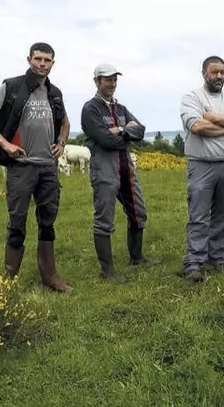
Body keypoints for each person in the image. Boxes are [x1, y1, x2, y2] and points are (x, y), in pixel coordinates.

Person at [0, 42, 73, 293]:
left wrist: (61, 142)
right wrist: (5, 145)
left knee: (48, 222)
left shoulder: (55, 93)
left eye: (47, 60)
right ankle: (8, 280)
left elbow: (65, 123)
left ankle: (50, 276)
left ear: (53, 63)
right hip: (21, 167)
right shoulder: (12, 87)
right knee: (17, 221)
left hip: (48, 167)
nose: (42, 64)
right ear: (29, 60)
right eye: (38, 59)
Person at [178, 56, 224, 282]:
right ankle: (194, 262)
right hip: (201, 165)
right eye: (214, 72)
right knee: (199, 216)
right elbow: (198, 126)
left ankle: (216, 258)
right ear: (204, 73)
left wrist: (215, 118)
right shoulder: (192, 98)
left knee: (222, 215)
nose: (219, 76)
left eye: (222, 72)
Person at [80, 63, 148, 283]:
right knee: (104, 218)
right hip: (104, 167)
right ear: (97, 82)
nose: (112, 83)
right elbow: (104, 139)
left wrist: (120, 130)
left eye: (114, 79)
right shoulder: (90, 109)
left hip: (125, 166)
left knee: (139, 211)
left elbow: (141, 130)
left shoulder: (120, 108)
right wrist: (126, 133)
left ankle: (136, 257)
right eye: (107, 79)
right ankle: (107, 270)